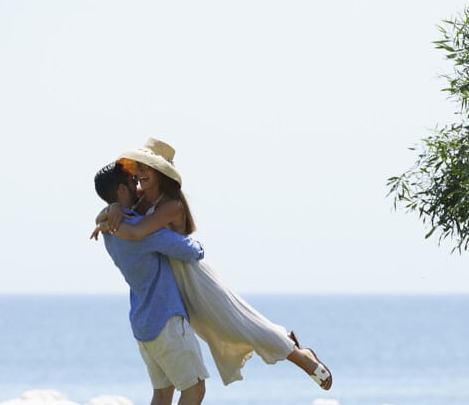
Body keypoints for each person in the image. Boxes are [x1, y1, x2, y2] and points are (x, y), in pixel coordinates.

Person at [92, 138, 333, 390]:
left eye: (145, 168)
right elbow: (121, 206)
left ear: (160, 172)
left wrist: (112, 217)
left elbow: (138, 231)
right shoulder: (139, 200)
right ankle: (286, 342)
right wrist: (113, 209)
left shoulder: (170, 205)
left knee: (239, 323)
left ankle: (301, 357)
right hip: (172, 279)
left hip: (193, 272)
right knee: (215, 331)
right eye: (137, 168)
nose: (139, 174)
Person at [94, 162, 208, 405]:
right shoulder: (143, 231)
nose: (138, 185)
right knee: (194, 389)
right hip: (167, 318)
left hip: (143, 323)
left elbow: (118, 217)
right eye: (132, 181)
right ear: (120, 190)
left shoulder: (110, 227)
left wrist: (112, 210)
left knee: (161, 394)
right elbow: (193, 251)